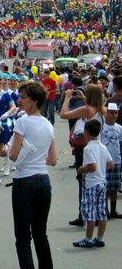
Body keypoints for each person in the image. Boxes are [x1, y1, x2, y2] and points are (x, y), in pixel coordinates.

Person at [9, 81, 57, 269]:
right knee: (40, 233)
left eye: (24, 97)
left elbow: (13, 154)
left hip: (24, 181)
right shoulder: (48, 124)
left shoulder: (22, 122)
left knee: (22, 237)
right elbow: (53, 159)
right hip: (44, 180)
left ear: (35, 101)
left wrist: (9, 151)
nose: (20, 100)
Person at [60, 84, 106, 226]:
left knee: (84, 182)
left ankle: (84, 214)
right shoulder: (102, 110)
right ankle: (98, 214)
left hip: (85, 147)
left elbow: (64, 114)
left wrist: (67, 98)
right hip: (99, 147)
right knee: (98, 180)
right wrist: (84, 98)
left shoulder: (86, 110)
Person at [73, 118, 114, 248]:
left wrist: (82, 169)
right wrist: (102, 168)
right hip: (102, 182)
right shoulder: (103, 147)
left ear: (86, 132)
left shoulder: (88, 148)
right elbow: (111, 164)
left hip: (92, 183)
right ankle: (100, 237)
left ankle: (88, 238)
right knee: (101, 211)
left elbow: (92, 166)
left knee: (90, 212)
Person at [100, 103, 122, 218]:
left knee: (114, 188)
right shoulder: (102, 127)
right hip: (104, 162)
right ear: (107, 113)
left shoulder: (119, 128)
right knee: (106, 188)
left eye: (116, 113)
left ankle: (113, 210)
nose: (114, 115)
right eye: (111, 113)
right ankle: (105, 210)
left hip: (116, 160)